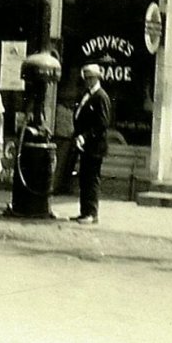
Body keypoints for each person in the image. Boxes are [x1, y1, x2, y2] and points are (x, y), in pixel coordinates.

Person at [71, 63, 111, 225]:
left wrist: (85, 136)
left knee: (91, 179)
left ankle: (92, 213)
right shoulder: (87, 94)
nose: (88, 81)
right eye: (86, 78)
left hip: (94, 146)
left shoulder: (101, 96)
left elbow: (102, 123)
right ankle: (84, 211)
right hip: (85, 144)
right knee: (84, 179)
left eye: (91, 78)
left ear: (97, 78)